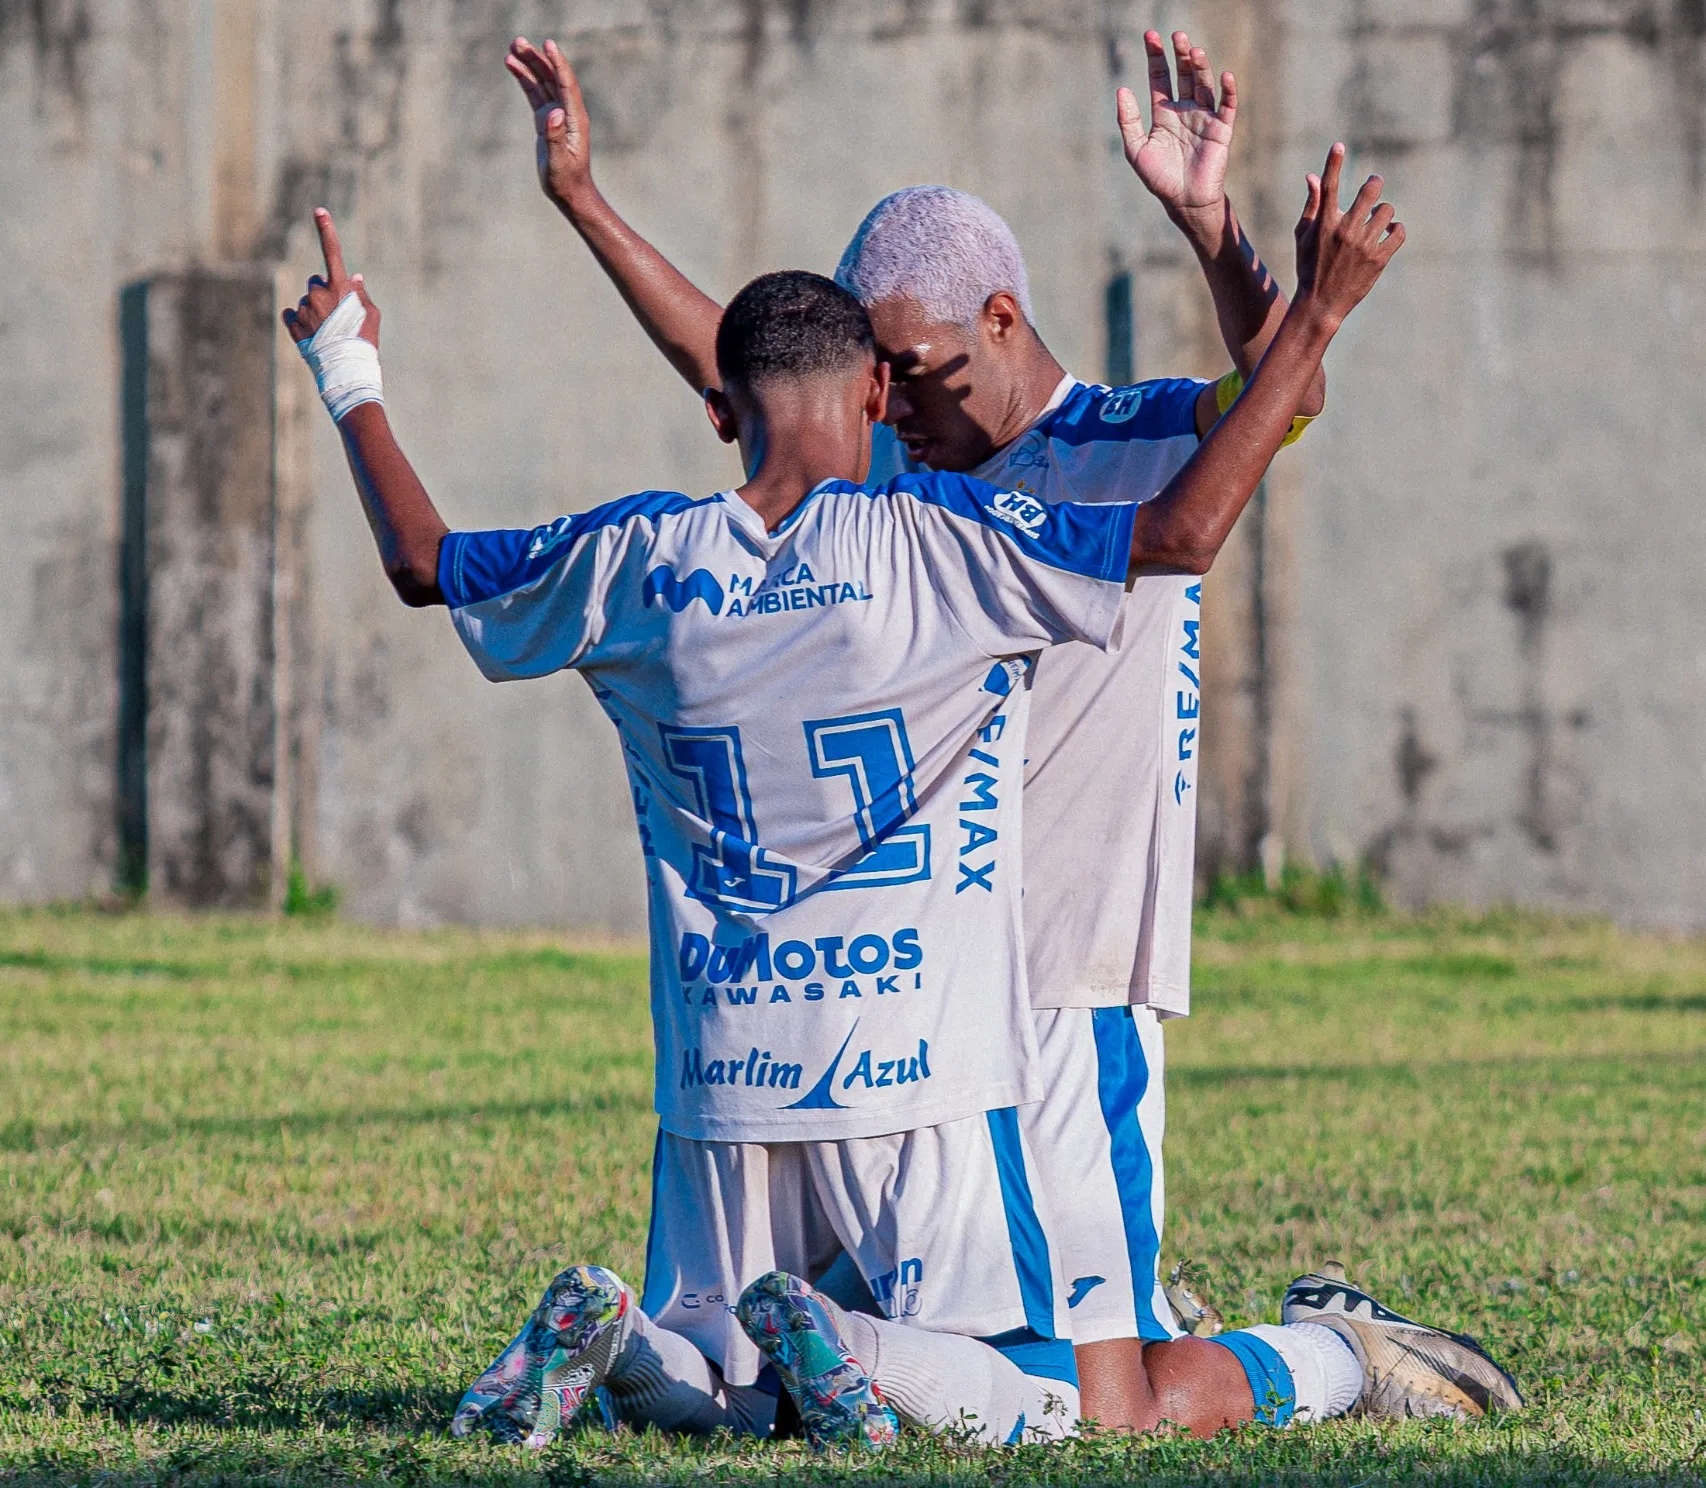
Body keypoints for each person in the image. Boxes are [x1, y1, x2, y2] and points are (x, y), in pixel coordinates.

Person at [283, 136, 1409, 1447]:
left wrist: (351, 369)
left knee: (750, 1390)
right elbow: (1179, 533)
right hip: (940, 1033)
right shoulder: (936, 533)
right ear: (871, 389)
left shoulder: (642, 549)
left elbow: (428, 562)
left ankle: (634, 1344)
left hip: (739, 1050)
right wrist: (1322, 303)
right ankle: (1337, 1354)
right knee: (1077, 1398)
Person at [492, 32, 1523, 1435]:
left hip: (1057, 983)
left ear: (995, 316)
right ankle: (674, 1353)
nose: (889, 403)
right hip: (911, 1004)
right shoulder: (897, 477)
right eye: (874, 378)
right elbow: (736, 373)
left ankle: (1347, 1359)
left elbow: (1286, 398)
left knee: (1107, 1402)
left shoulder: (1124, 441)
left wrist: (1216, 232)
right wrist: (585, 201)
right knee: (831, 1374)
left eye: (909, 369)